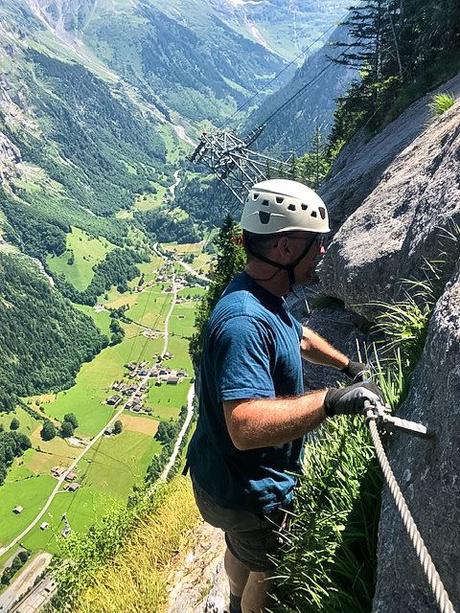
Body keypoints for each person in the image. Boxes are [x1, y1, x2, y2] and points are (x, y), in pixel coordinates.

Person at [185, 179, 383, 613]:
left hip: (221, 481)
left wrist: (349, 367)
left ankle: (234, 601)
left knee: (242, 549)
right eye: (317, 243)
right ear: (287, 247)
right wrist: (330, 401)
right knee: (270, 566)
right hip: (249, 491)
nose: (324, 252)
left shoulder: (258, 294)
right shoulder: (243, 323)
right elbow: (245, 424)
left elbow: (297, 338)